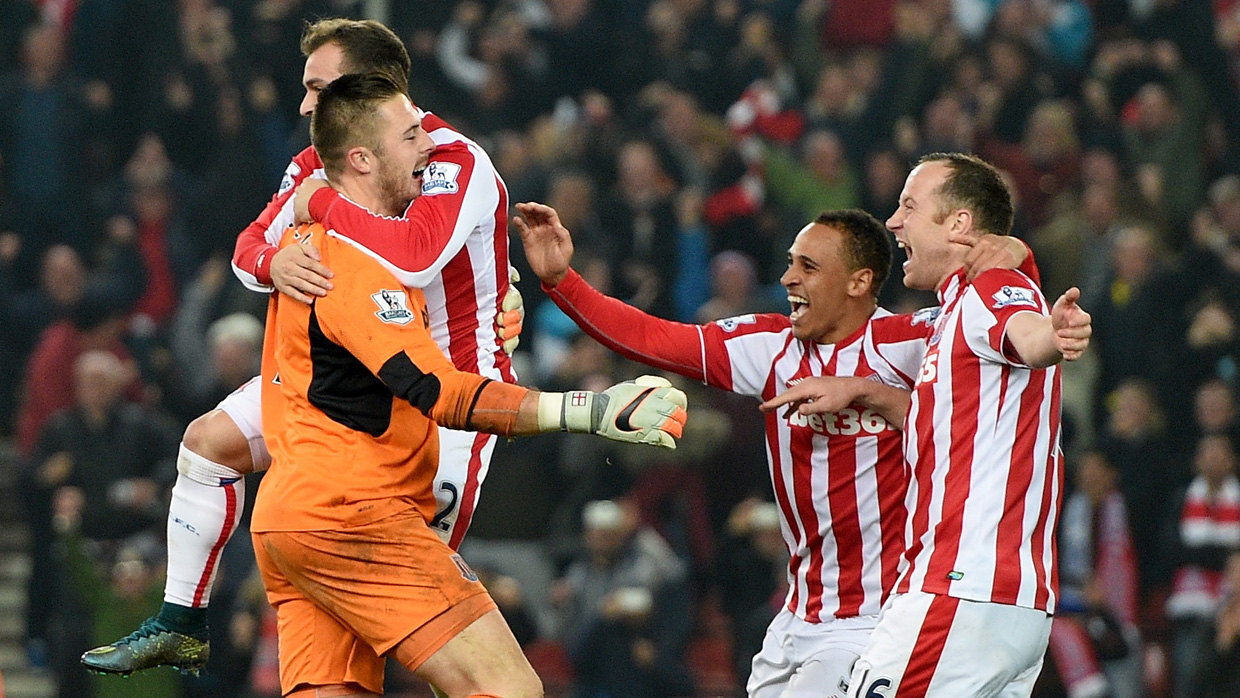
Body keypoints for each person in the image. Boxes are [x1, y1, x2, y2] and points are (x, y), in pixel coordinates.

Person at [83, 18, 526, 675]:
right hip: (343, 386)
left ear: (371, 87)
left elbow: (415, 256)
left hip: (443, 401)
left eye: (318, 87)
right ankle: (181, 622)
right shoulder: (311, 163)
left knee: (429, 633)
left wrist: (318, 208)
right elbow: (243, 251)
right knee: (206, 443)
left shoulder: (451, 159)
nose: (303, 104)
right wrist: (274, 265)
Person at [252, 72, 688, 698]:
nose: (429, 146)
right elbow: (442, 393)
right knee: (508, 691)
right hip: (354, 514)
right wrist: (592, 408)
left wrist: (491, 311)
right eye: (410, 137)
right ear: (362, 159)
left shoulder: (307, 246)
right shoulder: (354, 262)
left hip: (292, 521)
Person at [514, 197, 1039, 698]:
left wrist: (1017, 256)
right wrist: (562, 281)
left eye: (808, 267)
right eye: (790, 264)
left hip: (877, 617)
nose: (788, 278)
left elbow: (1007, 326)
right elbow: (653, 338)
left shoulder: (914, 342)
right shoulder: (769, 346)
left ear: (859, 281)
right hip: (795, 614)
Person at [764, 152, 1092, 698]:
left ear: (959, 224)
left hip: (958, 587)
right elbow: (953, 416)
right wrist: (864, 391)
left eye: (909, 207)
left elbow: (1027, 335)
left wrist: (1053, 338)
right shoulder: (958, 309)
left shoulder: (988, 290)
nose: (893, 222)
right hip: (1012, 601)